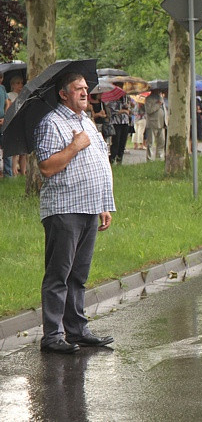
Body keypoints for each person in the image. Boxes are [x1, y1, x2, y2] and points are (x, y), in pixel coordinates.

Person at [34, 72, 115, 353]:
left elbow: (99, 165)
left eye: (85, 88)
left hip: (90, 207)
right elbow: (46, 167)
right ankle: (53, 335)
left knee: (78, 274)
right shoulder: (51, 123)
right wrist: (74, 146)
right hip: (65, 209)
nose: (84, 92)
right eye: (78, 89)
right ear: (63, 94)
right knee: (59, 274)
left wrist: (104, 204)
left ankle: (77, 329)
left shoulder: (88, 123)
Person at [106, 93, 131, 164]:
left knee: (123, 141)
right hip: (116, 123)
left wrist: (128, 106)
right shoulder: (112, 100)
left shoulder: (125, 99)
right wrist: (123, 111)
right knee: (116, 141)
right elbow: (112, 112)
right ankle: (112, 158)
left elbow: (130, 111)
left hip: (125, 122)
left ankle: (120, 158)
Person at [145, 89, 166, 161]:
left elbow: (164, 110)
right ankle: (149, 158)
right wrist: (158, 104)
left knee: (161, 142)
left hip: (162, 123)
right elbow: (149, 110)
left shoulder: (161, 98)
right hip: (152, 123)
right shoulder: (148, 98)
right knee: (150, 142)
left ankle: (159, 157)